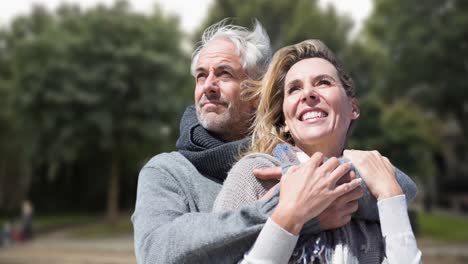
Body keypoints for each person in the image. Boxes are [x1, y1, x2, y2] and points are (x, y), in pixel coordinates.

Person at [133, 19, 392, 264]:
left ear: (257, 92)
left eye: (224, 74)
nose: (208, 86)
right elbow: (156, 251)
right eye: (201, 76)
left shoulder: (291, 155)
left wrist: (311, 186)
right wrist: (296, 211)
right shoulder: (167, 171)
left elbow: (398, 184)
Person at [213, 39, 421, 263]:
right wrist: (290, 216)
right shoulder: (253, 175)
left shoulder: (375, 181)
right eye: (294, 89)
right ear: (283, 121)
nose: (308, 94)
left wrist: (390, 194)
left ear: (353, 108)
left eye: (323, 82)